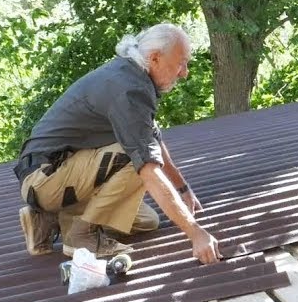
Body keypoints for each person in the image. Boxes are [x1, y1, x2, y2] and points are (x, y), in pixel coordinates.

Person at [13, 23, 222, 265]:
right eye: (181, 63)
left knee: (147, 221)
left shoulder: (133, 76)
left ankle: (48, 220)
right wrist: (196, 233)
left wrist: (183, 188)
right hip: (45, 177)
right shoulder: (129, 90)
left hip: (60, 176)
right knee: (136, 157)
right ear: (155, 58)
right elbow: (148, 166)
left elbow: (153, 138)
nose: (184, 72)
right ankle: (81, 237)